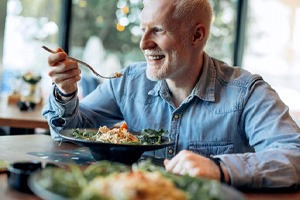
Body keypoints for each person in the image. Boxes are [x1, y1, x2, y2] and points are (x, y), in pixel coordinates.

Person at [43, 0, 300, 189]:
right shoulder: (129, 82)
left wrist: (220, 169)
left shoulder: (246, 93)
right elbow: (70, 130)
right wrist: (66, 93)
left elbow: (294, 155)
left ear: (196, 35)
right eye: (143, 29)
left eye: (158, 30)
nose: (143, 44)